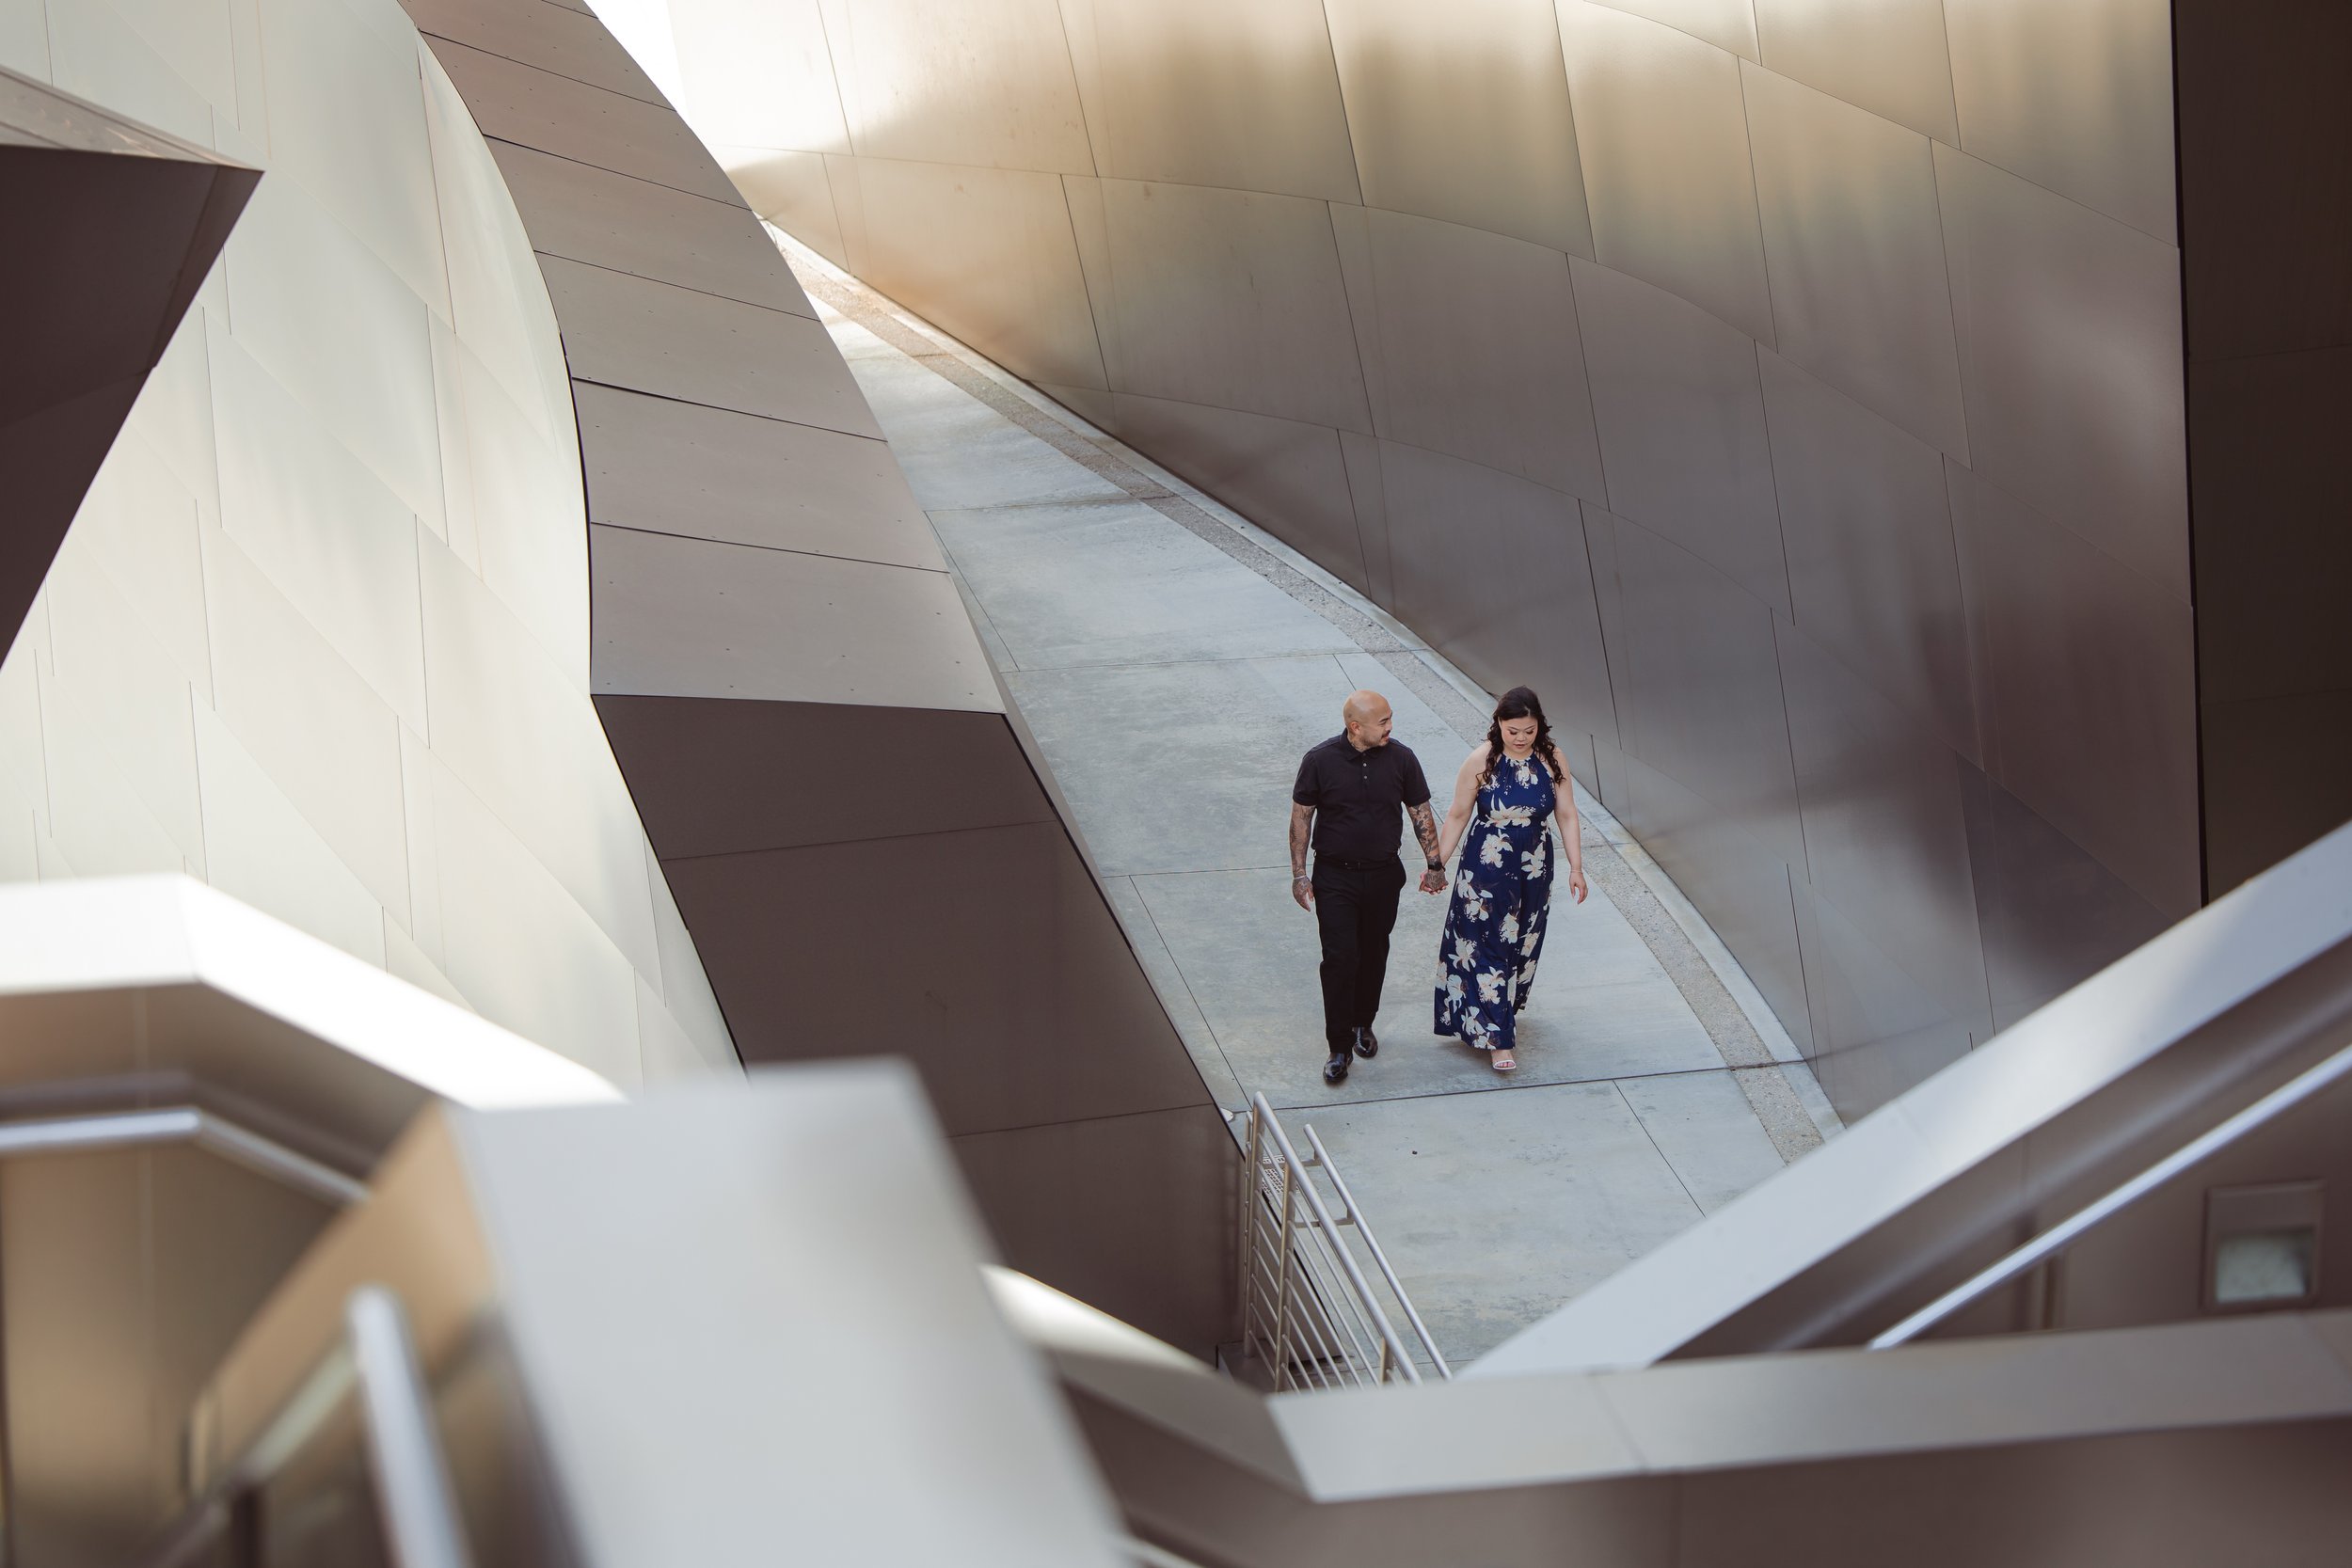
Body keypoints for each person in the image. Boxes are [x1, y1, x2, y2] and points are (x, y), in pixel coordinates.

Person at [1290, 691, 1447, 1085]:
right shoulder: (1320, 760)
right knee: (1340, 958)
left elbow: (1420, 813)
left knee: (1374, 952)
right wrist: (1299, 873)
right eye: (1383, 722)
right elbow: (1301, 819)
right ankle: (1338, 1047)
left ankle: (1364, 1023)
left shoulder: (1402, 759)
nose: (1390, 727)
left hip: (1382, 874)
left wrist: (1434, 864)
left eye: (1390, 719)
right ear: (1355, 727)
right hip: (1335, 877)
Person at [1431, 687, 1587, 1072]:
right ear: (1499, 723)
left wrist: (1576, 867)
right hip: (1486, 867)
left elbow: (1566, 814)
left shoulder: (1553, 760)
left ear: (1540, 728)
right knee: (1488, 944)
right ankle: (1499, 1040)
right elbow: (1456, 815)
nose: (1520, 738)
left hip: (1533, 866)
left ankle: (1500, 1012)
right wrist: (1437, 863)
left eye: (1529, 731)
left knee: (1521, 942)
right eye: (1513, 730)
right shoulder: (1481, 760)